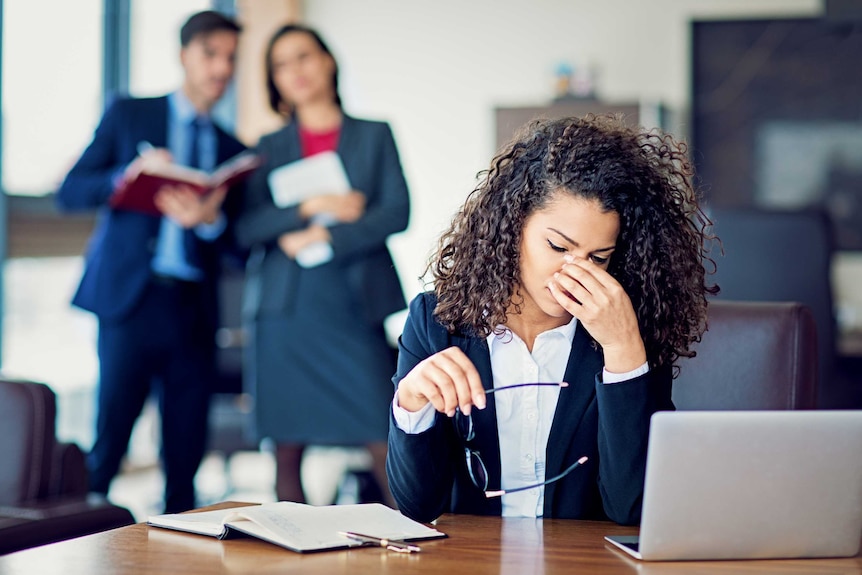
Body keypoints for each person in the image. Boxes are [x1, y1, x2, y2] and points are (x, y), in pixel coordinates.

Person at [386, 114, 717, 524]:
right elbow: (417, 507)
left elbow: (632, 509)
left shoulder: (632, 329)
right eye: (558, 246)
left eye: (598, 258)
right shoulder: (436, 320)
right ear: (512, 224)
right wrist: (412, 403)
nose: (575, 273)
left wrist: (623, 353)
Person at [56, 11, 245, 513]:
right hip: (130, 302)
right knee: (110, 441)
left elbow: (242, 248)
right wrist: (127, 176)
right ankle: (79, 542)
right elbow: (70, 191)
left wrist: (209, 221)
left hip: (192, 310)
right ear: (184, 55)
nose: (221, 68)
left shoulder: (232, 150)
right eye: (211, 54)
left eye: (230, 58)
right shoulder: (130, 115)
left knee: (185, 455)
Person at [235, 24, 409, 506]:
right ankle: (293, 552)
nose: (296, 71)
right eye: (282, 64)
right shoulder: (266, 147)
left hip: (352, 304)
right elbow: (247, 227)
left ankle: (409, 545)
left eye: (304, 56)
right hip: (285, 310)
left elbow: (397, 211)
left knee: (383, 431)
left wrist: (327, 236)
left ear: (328, 61)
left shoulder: (374, 135)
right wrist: (309, 208)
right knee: (286, 449)